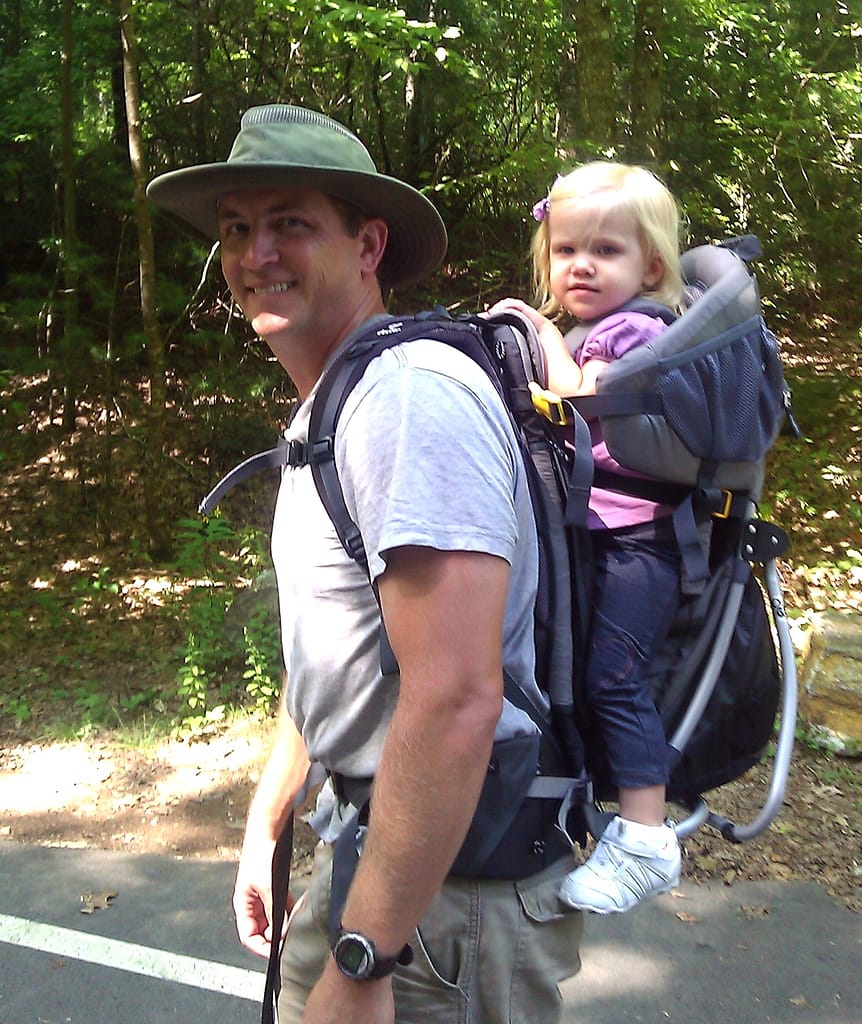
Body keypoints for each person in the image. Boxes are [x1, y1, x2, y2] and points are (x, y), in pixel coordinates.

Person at [147, 104, 582, 1024]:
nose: (254, 252)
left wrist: (365, 954)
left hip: (437, 911)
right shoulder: (339, 406)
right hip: (382, 863)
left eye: (291, 224)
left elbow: (458, 695)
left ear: (369, 245)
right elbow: (346, 648)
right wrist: (273, 810)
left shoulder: (408, 399)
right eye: (236, 228)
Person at [490, 162, 686, 915]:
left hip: (645, 545)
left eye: (605, 251)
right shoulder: (595, 329)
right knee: (581, 672)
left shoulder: (634, 328)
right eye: (566, 249)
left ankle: (647, 842)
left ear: (651, 266)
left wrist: (537, 336)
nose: (581, 264)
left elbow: (579, 400)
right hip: (607, 538)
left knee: (612, 676)